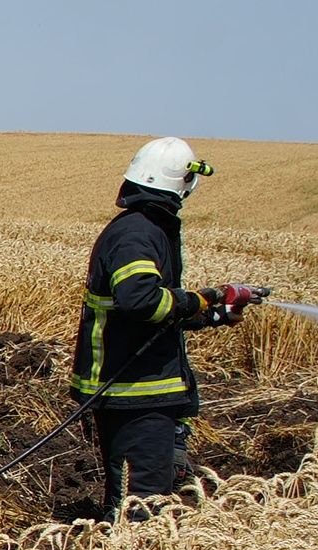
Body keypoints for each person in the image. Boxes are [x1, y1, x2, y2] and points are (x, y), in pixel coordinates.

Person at [74, 137, 262, 515]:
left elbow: (156, 310)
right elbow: (140, 300)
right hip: (132, 389)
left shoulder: (147, 227)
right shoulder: (138, 234)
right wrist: (204, 297)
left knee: (141, 494)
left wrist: (212, 315)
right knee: (142, 503)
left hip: (137, 387)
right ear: (183, 182)